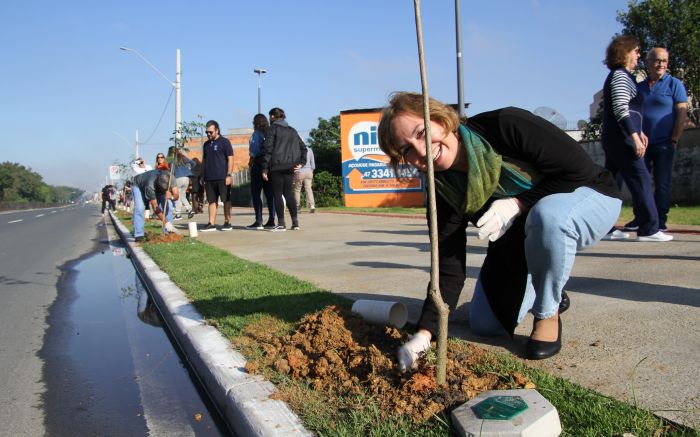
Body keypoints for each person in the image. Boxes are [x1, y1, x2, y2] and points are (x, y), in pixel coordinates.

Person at [376, 92, 621, 367]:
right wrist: (424, 334)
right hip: (521, 241)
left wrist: (518, 203)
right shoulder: (443, 191)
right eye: (406, 149)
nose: (420, 150)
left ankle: (547, 313)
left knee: (548, 216)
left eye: (421, 132)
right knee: (484, 325)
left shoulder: (506, 125)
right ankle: (548, 282)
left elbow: (580, 171)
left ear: (441, 119)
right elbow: (449, 265)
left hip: (590, 196)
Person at [601, 36, 672, 242]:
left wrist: (639, 131)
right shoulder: (620, 76)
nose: (639, 55)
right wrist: (634, 136)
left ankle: (605, 228)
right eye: (636, 51)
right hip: (622, 139)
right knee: (641, 178)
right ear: (625, 52)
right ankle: (649, 228)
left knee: (611, 183)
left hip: (618, 138)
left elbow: (629, 110)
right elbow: (621, 109)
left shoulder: (623, 76)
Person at [624, 48, 688, 232]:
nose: (661, 64)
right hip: (641, 145)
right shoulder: (639, 87)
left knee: (662, 183)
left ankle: (660, 220)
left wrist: (674, 139)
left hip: (665, 144)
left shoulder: (674, 84)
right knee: (640, 183)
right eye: (657, 60)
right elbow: (632, 113)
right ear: (648, 62)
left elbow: (681, 113)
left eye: (664, 60)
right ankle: (640, 218)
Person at [261, 108, 307, 232]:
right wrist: (301, 163)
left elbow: (268, 148)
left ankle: (281, 223)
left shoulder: (272, 129)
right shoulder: (292, 130)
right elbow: (304, 148)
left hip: (276, 166)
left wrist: (264, 168)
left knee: (277, 194)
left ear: (272, 117)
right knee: (288, 194)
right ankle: (295, 223)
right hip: (290, 166)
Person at [200, 120, 234, 232]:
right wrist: (202, 175)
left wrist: (229, 175)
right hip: (209, 178)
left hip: (223, 177)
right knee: (211, 201)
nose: (208, 134)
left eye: (210, 132)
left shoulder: (224, 142)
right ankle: (211, 223)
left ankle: (227, 222)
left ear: (217, 130)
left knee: (226, 200)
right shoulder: (206, 145)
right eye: (207, 132)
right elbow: (204, 161)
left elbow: (230, 159)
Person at [131, 169, 179, 242]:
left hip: (156, 186)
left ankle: (168, 232)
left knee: (168, 204)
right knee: (140, 208)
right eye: (162, 189)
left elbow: (176, 195)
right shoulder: (150, 186)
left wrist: (171, 197)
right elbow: (155, 207)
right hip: (138, 185)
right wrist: (166, 222)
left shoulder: (171, 178)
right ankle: (139, 235)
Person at [246, 114, 276, 230]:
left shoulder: (256, 134)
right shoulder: (270, 133)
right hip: (269, 164)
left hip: (258, 164)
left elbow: (253, 151)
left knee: (256, 193)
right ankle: (272, 220)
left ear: (255, 122)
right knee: (270, 194)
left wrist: (250, 164)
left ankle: (259, 221)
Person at [170, 146, 196, 221]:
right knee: (182, 195)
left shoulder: (171, 159)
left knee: (177, 196)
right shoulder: (182, 157)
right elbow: (193, 163)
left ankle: (178, 214)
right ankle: (189, 209)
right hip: (186, 178)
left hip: (177, 178)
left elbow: (169, 170)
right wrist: (189, 168)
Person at [294, 144, 316, 213]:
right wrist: (311, 171)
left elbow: (294, 162)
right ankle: (312, 205)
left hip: (299, 172)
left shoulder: (295, 150)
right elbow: (313, 164)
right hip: (309, 172)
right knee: (309, 189)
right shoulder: (310, 150)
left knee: (297, 189)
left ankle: (297, 206)